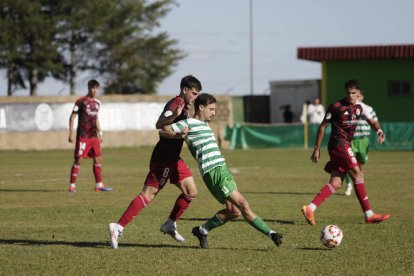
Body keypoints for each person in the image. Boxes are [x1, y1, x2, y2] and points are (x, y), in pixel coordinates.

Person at [160, 93, 283, 249]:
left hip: (222, 170)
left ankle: (202, 230)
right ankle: (271, 234)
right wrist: (175, 128)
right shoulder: (188, 123)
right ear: (201, 107)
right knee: (243, 204)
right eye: (211, 109)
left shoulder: (205, 125)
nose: (214, 113)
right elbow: (162, 129)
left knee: (234, 211)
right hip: (213, 172)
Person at [108, 75, 201, 249]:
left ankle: (170, 224)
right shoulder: (175, 104)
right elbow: (160, 125)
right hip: (163, 158)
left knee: (191, 191)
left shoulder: (185, 109)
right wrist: (175, 125)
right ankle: (118, 227)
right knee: (148, 194)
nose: (195, 97)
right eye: (194, 93)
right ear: (185, 90)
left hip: (174, 158)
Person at [301, 79, 390, 225]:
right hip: (338, 144)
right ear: (345, 93)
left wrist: (379, 130)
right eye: (348, 93)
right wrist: (316, 148)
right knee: (358, 174)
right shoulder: (336, 106)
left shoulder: (361, 107)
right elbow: (322, 126)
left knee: (336, 182)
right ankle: (369, 214)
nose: (350, 95)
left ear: (358, 94)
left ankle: (310, 208)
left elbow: (373, 121)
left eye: (353, 93)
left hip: (344, 144)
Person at [68, 79, 112, 193]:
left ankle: (99, 185)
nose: (94, 90)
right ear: (88, 88)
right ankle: (72, 185)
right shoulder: (80, 101)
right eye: (92, 88)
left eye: (96, 88)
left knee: (98, 158)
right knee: (79, 160)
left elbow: (96, 118)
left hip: (94, 137)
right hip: (83, 136)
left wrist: (100, 133)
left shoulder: (97, 103)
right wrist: (71, 133)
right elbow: (72, 116)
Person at [344, 90, 378, 196]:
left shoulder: (368, 109)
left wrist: (379, 131)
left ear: (362, 97)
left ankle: (358, 177)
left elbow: (374, 121)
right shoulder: (348, 108)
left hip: (363, 139)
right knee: (349, 163)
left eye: (358, 96)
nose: (356, 97)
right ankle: (349, 184)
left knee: (361, 161)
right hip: (351, 139)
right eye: (354, 95)